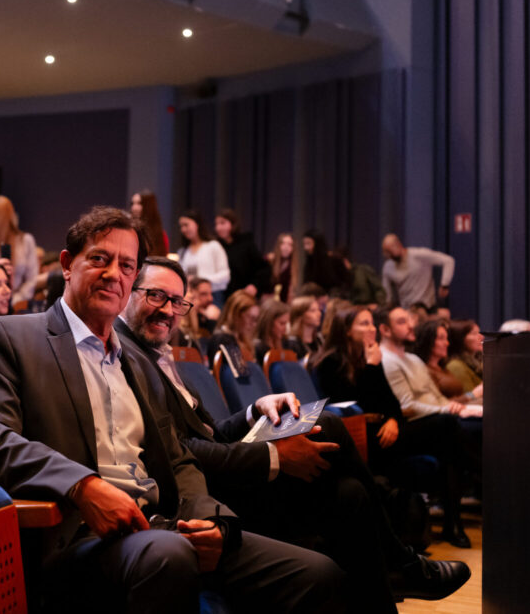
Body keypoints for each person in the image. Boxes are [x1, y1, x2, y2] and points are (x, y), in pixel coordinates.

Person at [0, 205, 346, 614]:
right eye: (99, 258)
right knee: (170, 555)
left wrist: (210, 520)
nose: (113, 274)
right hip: (78, 534)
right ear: (67, 265)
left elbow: (179, 459)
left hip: (162, 524)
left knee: (318, 574)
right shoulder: (10, 336)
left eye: (127, 266)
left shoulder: (137, 361)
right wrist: (83, 485)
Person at [117, 258, 471, 607]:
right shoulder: (127, 356)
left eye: (177, 301)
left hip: (224, 473)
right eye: (156, 296)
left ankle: (397, 568)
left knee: (350, 494)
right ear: (129, 291)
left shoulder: (158, 354)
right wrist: (275, 457)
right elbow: (181, 451)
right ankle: (403, 563)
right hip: (206, 496)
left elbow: (212, 434)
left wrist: (255, 410)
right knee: (330, 426)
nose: (168, 310)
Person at [312, 306, 473, 548]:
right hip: (359, 437)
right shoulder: (330, 363)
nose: (371, 329)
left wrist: (393, 421)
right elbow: (353, 406)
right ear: (346, 331)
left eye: (372, 323)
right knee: (447, 426)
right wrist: (372, 366)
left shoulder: (367, 358)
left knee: (448, 438)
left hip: (385, 430)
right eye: (364, 324)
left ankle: (453, 521)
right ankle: (457, 513)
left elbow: (391, 404)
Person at [378, 307, 481, 421]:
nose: (411, 326)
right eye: (402, 322)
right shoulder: (386, 360)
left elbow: (438, 397)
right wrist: (447, 409)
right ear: (385, 330)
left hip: (440, 415)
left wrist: (453, 408)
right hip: (423, 421)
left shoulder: (414, 359)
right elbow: (407, 406)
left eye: (409, 320)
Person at [381, 234, 455, 308]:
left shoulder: (419, 255)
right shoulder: (388, 267)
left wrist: (445, 285)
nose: (388, 255)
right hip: (406, 310)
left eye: (389, 251)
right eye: (386, 253)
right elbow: (387, 294)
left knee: (444, 313)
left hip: (427, 307)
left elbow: (448, 261)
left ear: (398, 244)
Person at [177, 209, 230, 305]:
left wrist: (199, 280)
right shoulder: (183, 251)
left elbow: (225, 275)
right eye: (181, 226)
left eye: (186, 225)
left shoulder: (213, 246)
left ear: (197, 224)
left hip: (213, 297)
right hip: (192, 297)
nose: (183, 229)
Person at [214, 208, 271, 298]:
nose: (218, 228)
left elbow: (264, 269)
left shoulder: (246, 243)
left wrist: (255, 285)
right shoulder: (216, 245)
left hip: (245, 295)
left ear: (233, 224)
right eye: (216, 224)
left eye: (222, 223)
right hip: (224, 296)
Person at [411, 319, 465, 398]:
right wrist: (472, 395)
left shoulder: (442, 368)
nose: (447, 343)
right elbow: (436, 403)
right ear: (427, 340)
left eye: (446, 338)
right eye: (441, 338)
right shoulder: (423, 370)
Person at [207, 289, 259, 366]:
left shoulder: (245, 341)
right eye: (251, 318)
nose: (254, 324)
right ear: (236, 315)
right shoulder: (221, 340)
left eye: (256, 320)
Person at [170, 277, 216, 353]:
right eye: (203, 294)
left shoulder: (206, 321)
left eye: (211, 294)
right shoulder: (176, 330)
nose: (210, 299)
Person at [445, 320, 485, 396]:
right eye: (474, 333)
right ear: (459, 338)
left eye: (479, 332)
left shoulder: (479, 361)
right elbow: (469, 398)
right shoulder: (456, 366)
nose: (481, 337)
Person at [302, 230, 346, 296]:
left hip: (332, 298)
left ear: (317, 243)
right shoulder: (309, 263)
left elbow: (343, 284)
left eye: (308, 243)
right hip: (313, 298)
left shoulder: (334, 260)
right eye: (304, 244)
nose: (306, 248)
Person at [283, 295, 323, 361]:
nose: (319, 313)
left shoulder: (319, 340)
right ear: (300, 315)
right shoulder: (291, 343)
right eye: (312, 311)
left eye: (318, 309)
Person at [129, 189, 168, 256]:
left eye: (139, 203)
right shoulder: (128, 231)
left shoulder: (161, 236)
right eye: (132, 203)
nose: (134, 208)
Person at [254, 297, 290, 363]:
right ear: (268, 323)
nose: (285, 328)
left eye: (286, 323)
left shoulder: (285, 343)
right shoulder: (258, 348)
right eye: (282, 323)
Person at [268, 232, 299, 303]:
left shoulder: (292, 267)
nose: (286, 247)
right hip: (268, 302)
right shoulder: (270, 261)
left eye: (290, 245)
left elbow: (290, 292)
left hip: (283, 304)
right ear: (278, 245)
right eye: (283, 243)